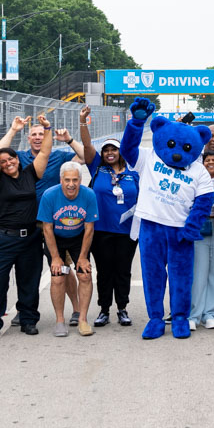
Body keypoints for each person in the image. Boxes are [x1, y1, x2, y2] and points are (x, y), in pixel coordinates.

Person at [0, 113, 93, 327]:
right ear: (28, 138)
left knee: (65, 267)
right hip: (28, 222)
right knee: (27, 270)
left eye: (42, 133)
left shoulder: (59, 156)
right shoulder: (20, 157)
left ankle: (77, 310)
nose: (38, 137)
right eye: (34, 134)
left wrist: (69, 139)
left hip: (56, 222)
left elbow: (86, 157)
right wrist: (13, 130)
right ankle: (25, 309)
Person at [0, 114, 53, 340]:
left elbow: (45, 153)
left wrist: (48, 129)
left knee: (29, 282)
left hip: (30, 238)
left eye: (11, 159)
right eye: (3, 162)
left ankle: (29, 319)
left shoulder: (30, 174)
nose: (7, 163)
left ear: (17, 160)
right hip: (3, 238)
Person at [83, 132, 139, 328]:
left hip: (127, 231)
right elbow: (87, 144)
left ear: (120, 151)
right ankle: (104, 309)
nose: (109, 153)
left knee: (123, 271)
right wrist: (83, 122)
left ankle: (122, 308)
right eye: (106, 150)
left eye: (113, 149)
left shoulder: (134, 173)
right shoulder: (97, 168)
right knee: (105, 272)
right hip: (101, 230)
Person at [39, 162, 99, 337]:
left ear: (80, 180)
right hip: (56, 238)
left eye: (75, 180)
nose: (71, 184)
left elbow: (89, 228)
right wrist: (56, 257)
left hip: (78, 237)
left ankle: (82, 319)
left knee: (85, 274)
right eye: (67, 180)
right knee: (58, 277)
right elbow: (47, 229)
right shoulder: (49, 195)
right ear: (61, 180)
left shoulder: (88, 195)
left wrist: (82, 257)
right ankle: (59, 320)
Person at [188, 151, 214, 331]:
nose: (211, 163)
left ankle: (211, 314)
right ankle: (194, 315)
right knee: (198, 273)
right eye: (207, 160)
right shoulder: (194, 178)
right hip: (200, 227)